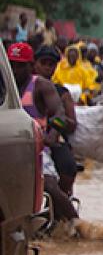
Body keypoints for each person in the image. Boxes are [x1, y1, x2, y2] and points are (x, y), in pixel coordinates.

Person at [10, 42, 78, 222]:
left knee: (48, 185)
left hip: (37, 148)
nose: (15, 70)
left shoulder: (42, 86)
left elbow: (60, 114)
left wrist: (52, 134)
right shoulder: (4, 87)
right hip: (10, 148)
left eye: (20, 65)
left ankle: (77, 224)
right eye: (12, 65)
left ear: (30, 65)